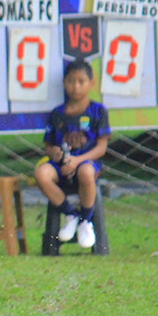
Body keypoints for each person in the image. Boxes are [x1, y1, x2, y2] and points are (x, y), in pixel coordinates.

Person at [32, 59, 110, 249]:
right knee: (41, 174)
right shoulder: (57, 113)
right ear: (64, 83)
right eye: (71, 81)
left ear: (91, 83)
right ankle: (70, 214)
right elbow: (47, 145)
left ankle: (86, 221)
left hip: (86, 163)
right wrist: (54, 153)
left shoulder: (98, 111)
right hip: (61, 166)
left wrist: (77, 161)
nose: (76, 87)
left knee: (86, 172)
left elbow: (101, 148)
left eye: (81, 82)